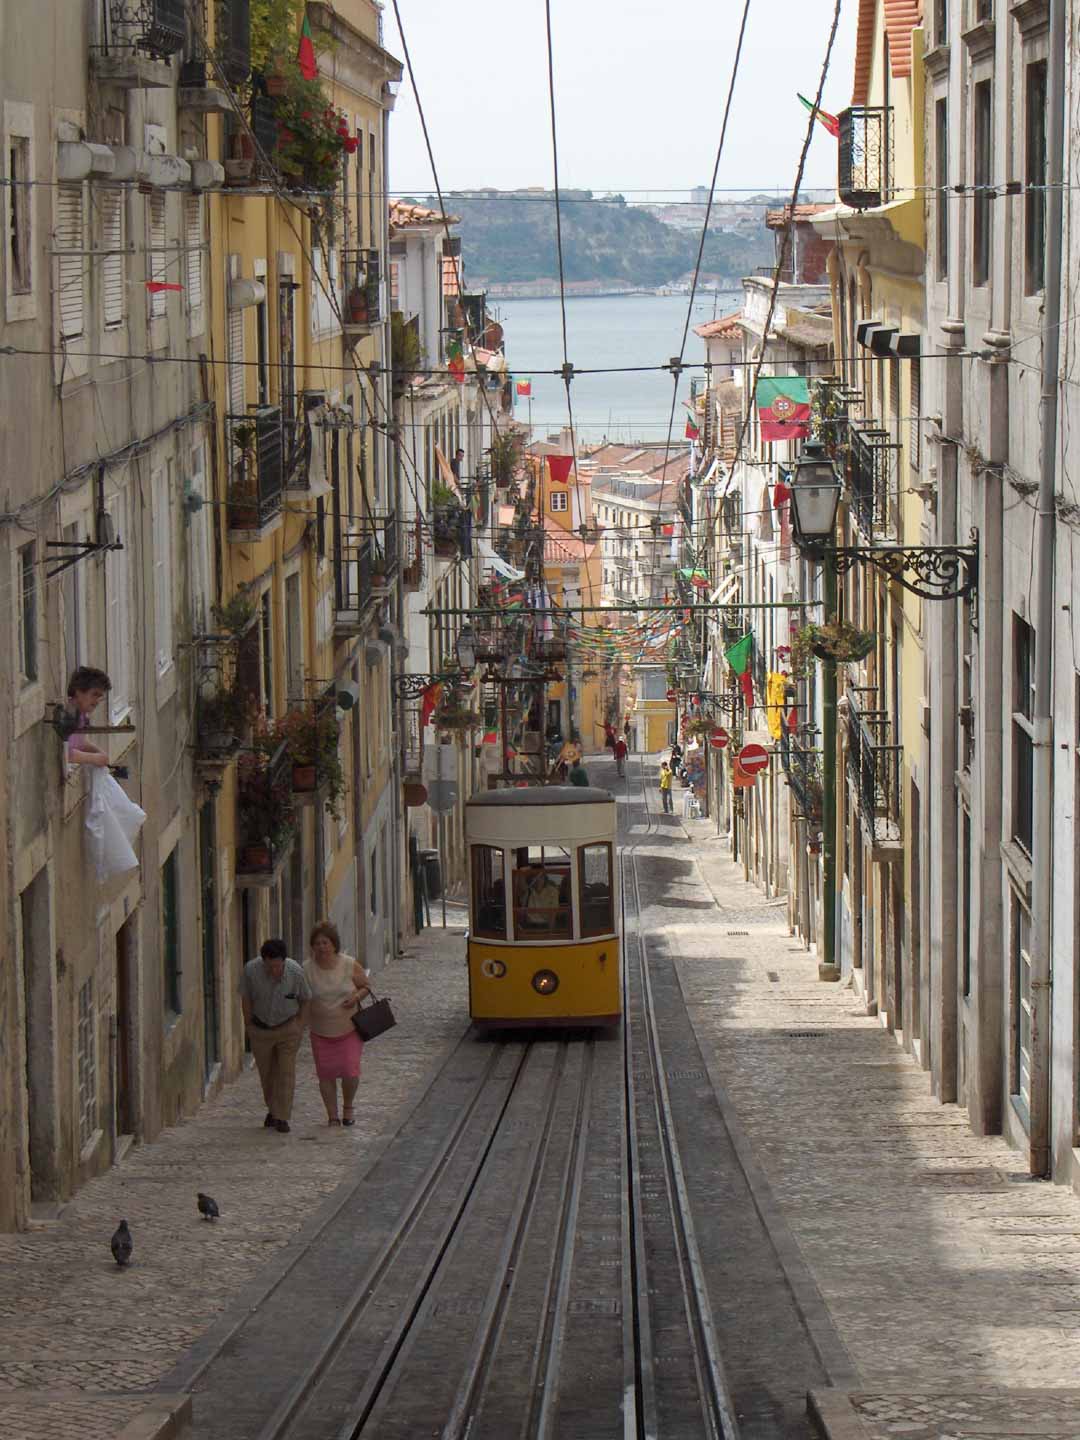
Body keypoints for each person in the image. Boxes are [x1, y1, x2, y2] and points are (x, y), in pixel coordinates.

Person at [240, 939, 311, 1133]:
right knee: (267, 1074)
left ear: (284, 960)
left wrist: (300, 1025)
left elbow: (306, 999)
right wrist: (248, 1025)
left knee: (286, 1073)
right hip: (260, 1029)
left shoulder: (295, 972)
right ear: (263, 961)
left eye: (277, 966)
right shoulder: (251, 971)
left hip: (287, 1029)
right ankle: (273, 1109)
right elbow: (245, 997)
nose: (274, 970)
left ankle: (282, 1117)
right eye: (269, 966)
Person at [304, 921, 370, 1127]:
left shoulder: (349, 964)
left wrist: (356, 998)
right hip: (320, 1030)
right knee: (326, 1074)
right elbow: (301, 996)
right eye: (317, 943)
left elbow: (367, 986)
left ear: (334, 944)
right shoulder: (306, 969)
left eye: (325, 942)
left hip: (348, 1028)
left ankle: (348, 1107)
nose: (321, 947)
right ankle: (332, 1115)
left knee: (350, 1071)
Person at [65, 667, 113, 769]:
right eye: (94, 694)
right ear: (78, 691)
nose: (96, 701)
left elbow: (79, 742)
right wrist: (94, 758)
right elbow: (66, 753)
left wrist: (101, 754)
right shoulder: (66, 714)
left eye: (100, 697)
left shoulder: (81, 714)